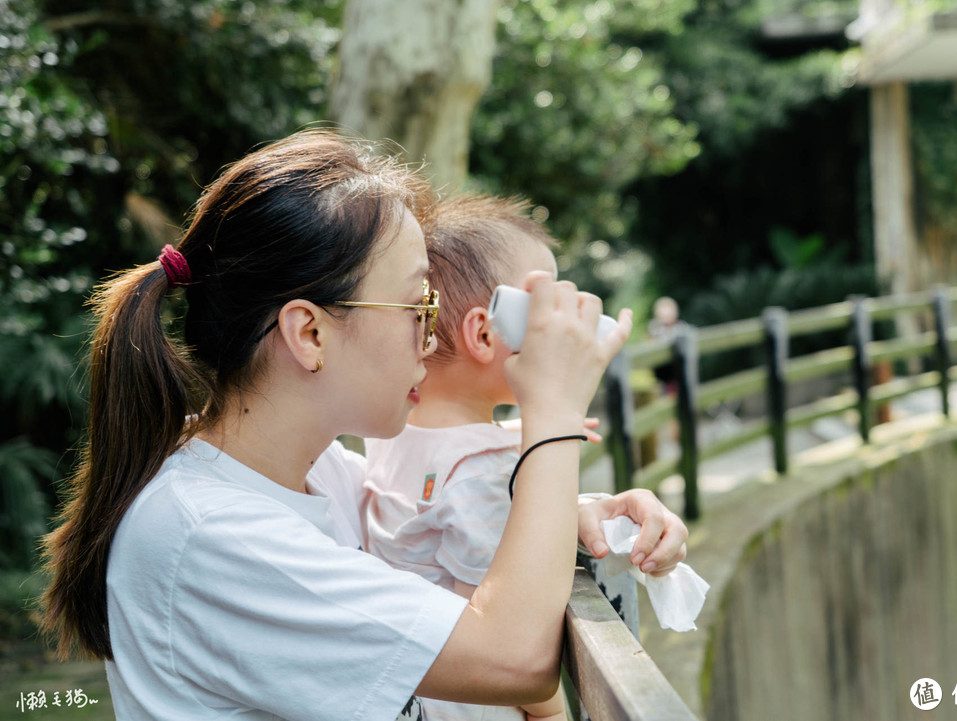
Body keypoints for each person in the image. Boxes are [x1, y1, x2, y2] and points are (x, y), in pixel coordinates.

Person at [37, 130, 688, 721]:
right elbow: (517, 656)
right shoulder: (209, 533)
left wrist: (572, 509)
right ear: (310, 331)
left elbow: (423, 521)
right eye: (415, 305)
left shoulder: (311, 470)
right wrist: (552, 413)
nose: (430, 339)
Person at [362, 193, 689, 721]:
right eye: (545, 304)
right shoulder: (482, 476)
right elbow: (498, 632)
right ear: (487, 331)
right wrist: (553, 714)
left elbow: (440, 461)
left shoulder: (386, 430)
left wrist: (526, 435)